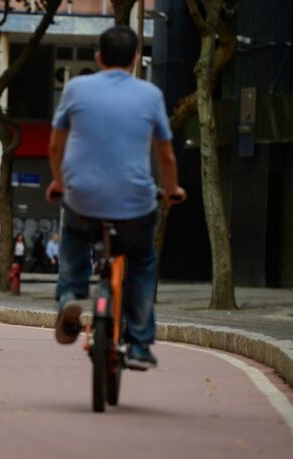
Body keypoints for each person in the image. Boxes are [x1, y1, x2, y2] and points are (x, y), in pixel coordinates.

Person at [46, 26, 186, 370]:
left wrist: (59, 181)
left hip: (83, 197)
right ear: (136, 60)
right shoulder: (150, 95)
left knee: (75, 236)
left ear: (97, 57)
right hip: (135, 204)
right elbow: (166, 156)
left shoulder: (76, 88)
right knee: (141, 260)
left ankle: (71, 295)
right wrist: (172, 190)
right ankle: (139, 343)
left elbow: (54, 145)